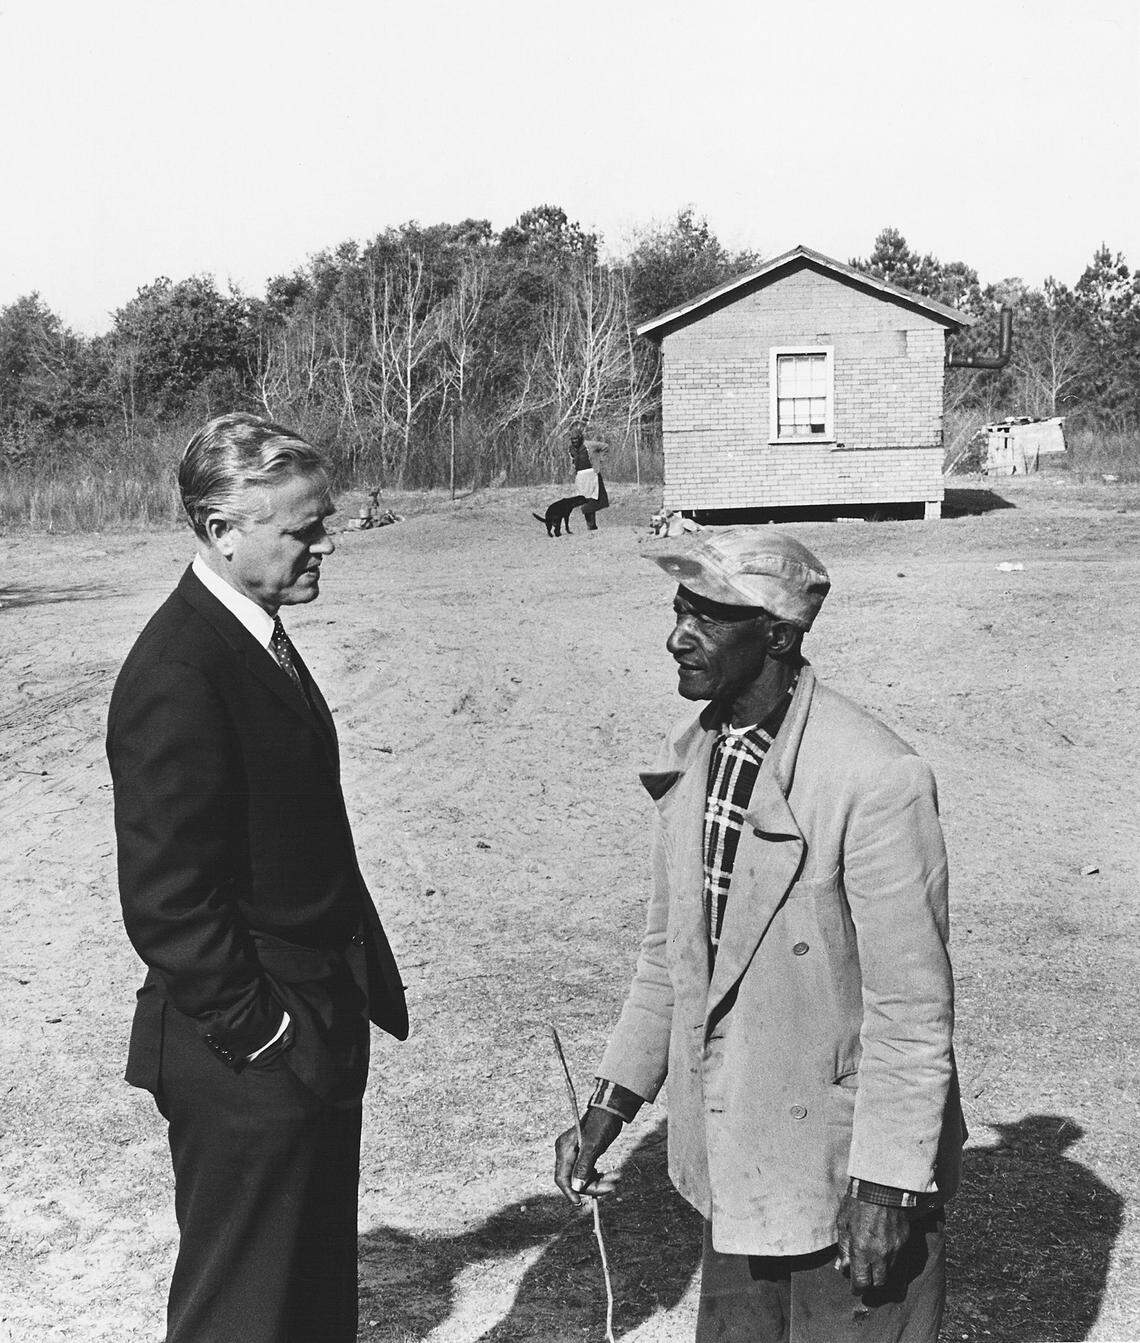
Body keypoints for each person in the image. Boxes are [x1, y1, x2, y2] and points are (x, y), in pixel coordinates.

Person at [555, 528, 963, 1343]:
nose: (679, 635)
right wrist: (609, 1106)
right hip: (741, 1166)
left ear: (779, 635)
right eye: (678, 611)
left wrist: (886, 1186)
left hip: (844, 1173)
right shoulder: (696, 757)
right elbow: (669, 961)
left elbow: (911, 1006)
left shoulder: (876, 776)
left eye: (708, 616)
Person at [106, 412, 407, 1343]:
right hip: (248, 1050)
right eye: (302, 529)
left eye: (324, 522)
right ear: (220, 528)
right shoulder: (180, 667)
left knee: (309, 1307)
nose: (326, 545)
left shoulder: (254, 633)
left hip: (308, 1023)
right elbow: (167, 901)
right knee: (241, 1315)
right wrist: (263, 1033)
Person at [568, 425, 609, 530]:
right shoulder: (571, 448)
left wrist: (600, 459)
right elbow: (573, 460)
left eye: (576, 439)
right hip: (581, 477)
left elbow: (605, 446)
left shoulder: (589, 445)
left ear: (580, 437)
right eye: (572, 439)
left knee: (593, 499)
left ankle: (592, 525)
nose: (574, 441)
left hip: (592, 474)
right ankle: (591, 525)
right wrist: (573, 469)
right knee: (583, 500)